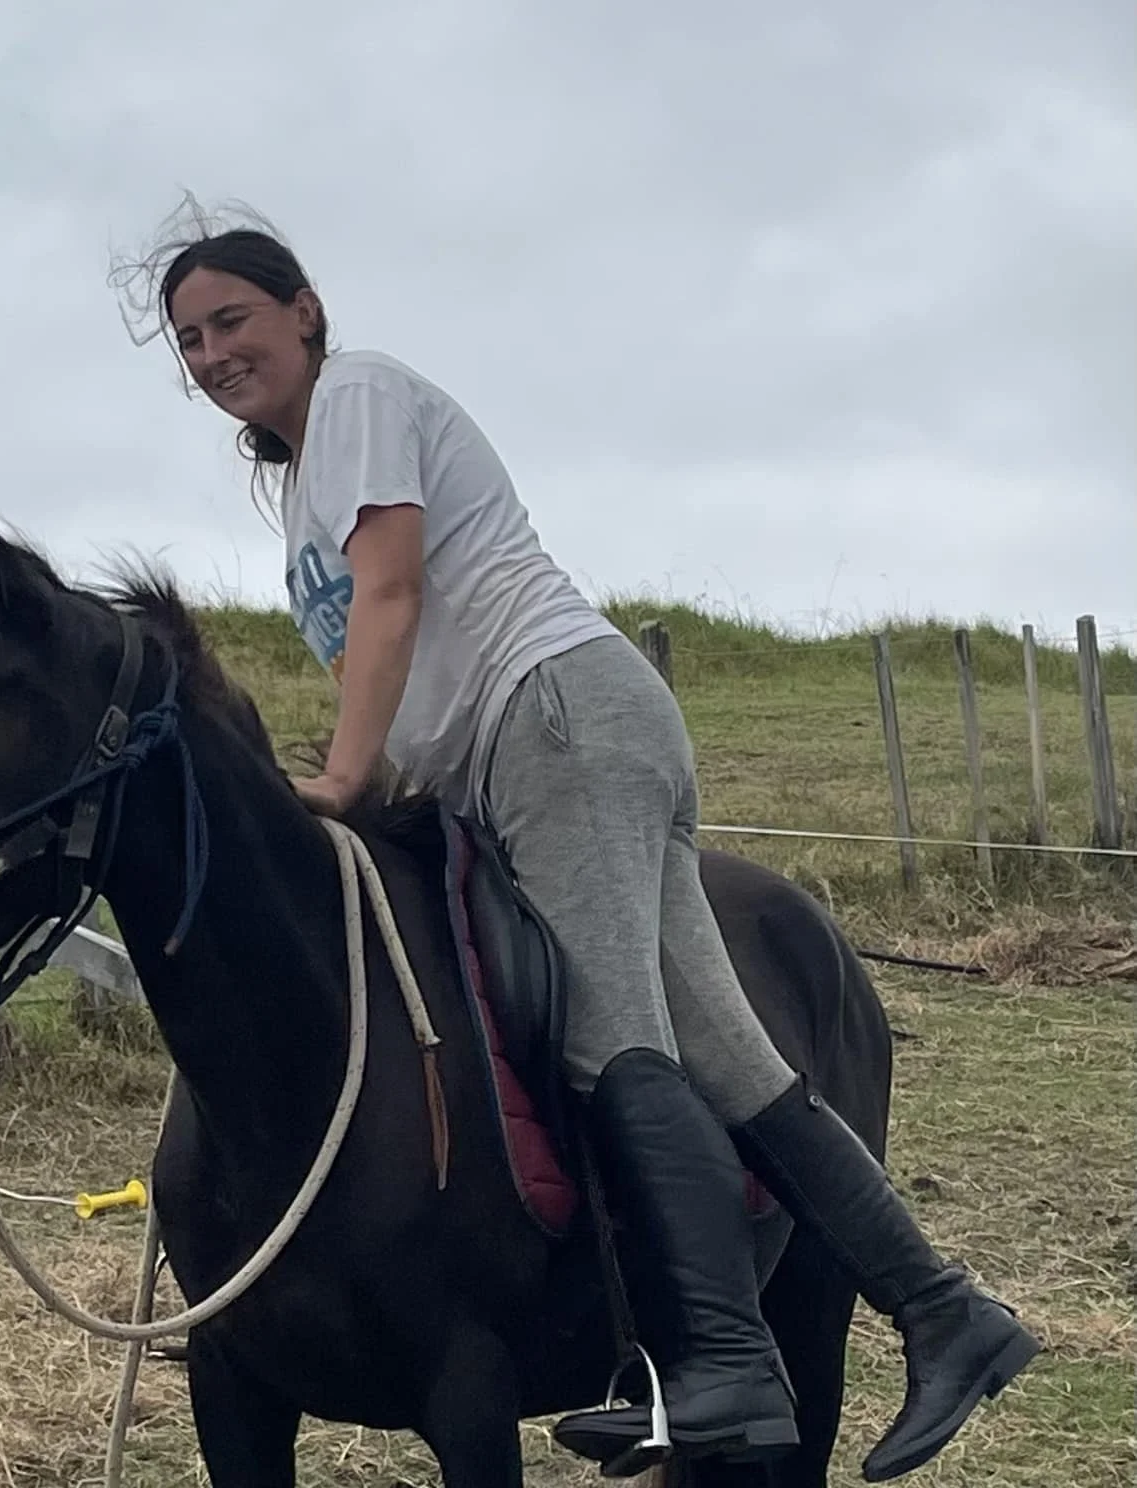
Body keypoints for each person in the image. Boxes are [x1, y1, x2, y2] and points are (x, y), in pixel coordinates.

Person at [112, 202, 1039, 1481]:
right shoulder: (303, 486)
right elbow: (396, 654)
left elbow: (393, 597)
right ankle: (945, 1311)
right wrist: (372, 794)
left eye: (233, 321)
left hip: (550, 718)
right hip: (525, 748)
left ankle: (714, 1365)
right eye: (190, 341)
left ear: (305, 312)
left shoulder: (363, 395)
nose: (214, 353)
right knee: (728, 1052)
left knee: (617, 1041)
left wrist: (336, 771)